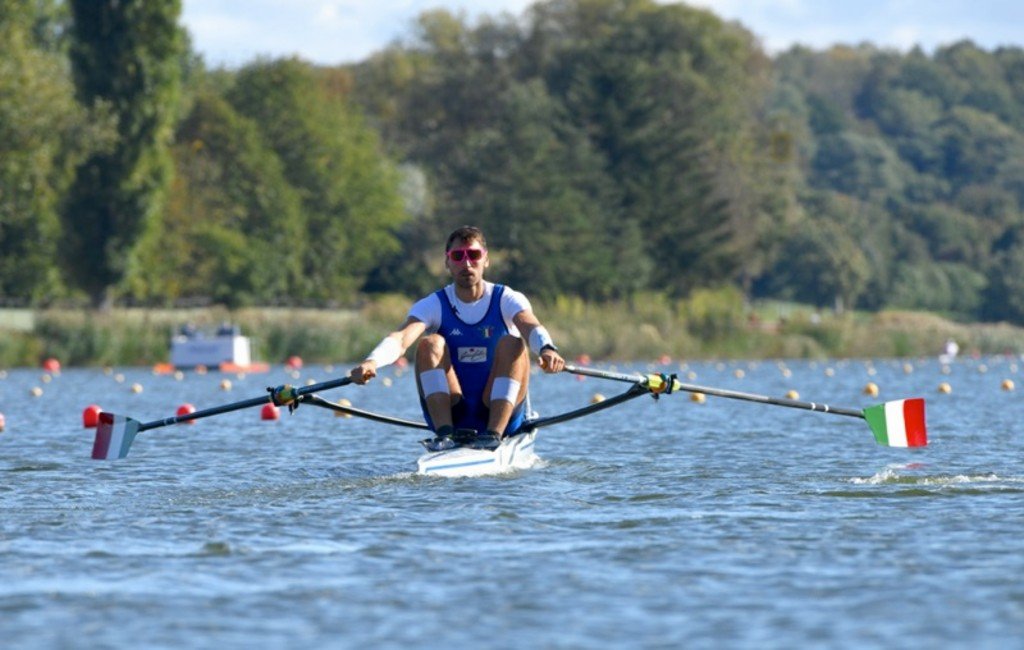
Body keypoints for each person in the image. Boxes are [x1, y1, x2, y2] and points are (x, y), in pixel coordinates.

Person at [349, 225, 565, 448]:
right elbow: (401, 338)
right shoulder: (433, 304)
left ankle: (493, 435)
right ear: (448, 262)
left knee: (513, 344)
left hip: (502, 413)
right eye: (458, 256)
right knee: (430, 343)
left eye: (474, 255)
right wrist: (371, 361)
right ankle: (445, 435)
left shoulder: (507, 298)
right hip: (454, 411)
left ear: (486, 260)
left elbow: (530, 326)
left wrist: (547, 349)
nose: (467, 263)